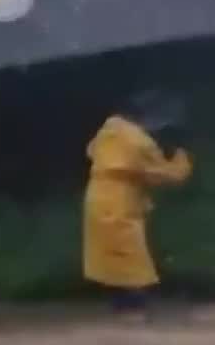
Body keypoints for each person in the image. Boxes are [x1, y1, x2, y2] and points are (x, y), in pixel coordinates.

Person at [82, 91, 192, 312]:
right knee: (132, 256)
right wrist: (182, 159)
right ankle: (133, 307)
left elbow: (92, 152)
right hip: (120, 200)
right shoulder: (138, 140)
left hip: (97, 194)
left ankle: (119, 304)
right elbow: (164, 175)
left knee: (109, 254)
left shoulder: (109, 129)